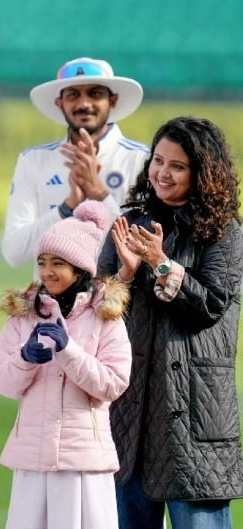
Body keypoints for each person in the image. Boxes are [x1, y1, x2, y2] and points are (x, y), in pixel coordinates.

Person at [97, 116, 243, 529]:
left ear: (203, 173)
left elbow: (210, 306)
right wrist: (124, 275)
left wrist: (160, 263)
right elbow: (96, 317)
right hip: (130, 417)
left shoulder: (224, 233)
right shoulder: (129, 225)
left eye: (177, 166)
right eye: (158, 161)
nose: (162, 173)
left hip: (194, 419)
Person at [0, 200, 132, 529]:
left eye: (57, 263)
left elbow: (113, 383)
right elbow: (1, 380)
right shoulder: (24, 315)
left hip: (83, 462)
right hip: (32, 459)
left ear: (80, 268)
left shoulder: (105, 317)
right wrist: (25, 358)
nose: (47, 271)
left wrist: (69, 352)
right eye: (41, 262)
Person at [2, 57, 148, 272]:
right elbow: (14, 253)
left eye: (95, 93)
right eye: (73, 95)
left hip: (119, 301)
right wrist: (68, 207)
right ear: (60, 103)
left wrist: (99, 193)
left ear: (113, 100)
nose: (84, 104)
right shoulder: (34, 160)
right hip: (52, 303)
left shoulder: (143, 159)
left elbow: (146, 249)